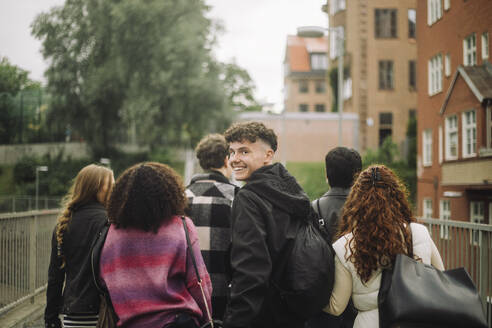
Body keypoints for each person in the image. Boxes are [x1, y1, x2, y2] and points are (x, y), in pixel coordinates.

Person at [323, 165, 444, 328]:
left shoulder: (345, 245)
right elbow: (441, 276)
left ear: (356, 202)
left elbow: (337, 307)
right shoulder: (418, 233)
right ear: (397, 196)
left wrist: (311, 301)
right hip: (414, 319)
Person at [99, 162, 212, 328]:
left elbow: (105, 281)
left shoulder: (111, 234)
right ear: (169, 193)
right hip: (177, 322)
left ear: (122, 196)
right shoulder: (182, 227)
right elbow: (199, 283)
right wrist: (206, 319)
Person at [222, 121, 312, 328]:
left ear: (268, 155)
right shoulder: (292, 193)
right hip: (294, 312)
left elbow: (250, 271)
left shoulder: (248, 199)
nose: (234, 159)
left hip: (262, 315)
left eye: (244, 152)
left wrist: (235, 322)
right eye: (232, 152)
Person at [45, 164, 114, 328]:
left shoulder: (63, 225)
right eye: (111, 185)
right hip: (104, 314)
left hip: (73, 315)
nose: (114, 189)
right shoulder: (111, 223)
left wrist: (51, 318)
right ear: (97, 189)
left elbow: (55, 276)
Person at [185, 134, 239, 320]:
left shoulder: (179, 197)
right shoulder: (237, 197)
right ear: (226, 160)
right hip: (224, 296)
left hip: (187, 296)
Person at [307, 147, 361, 328]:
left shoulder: (312, 209)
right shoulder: (370, 211)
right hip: (360, 302)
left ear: (327, 174)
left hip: (323, 301)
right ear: (358, 175)